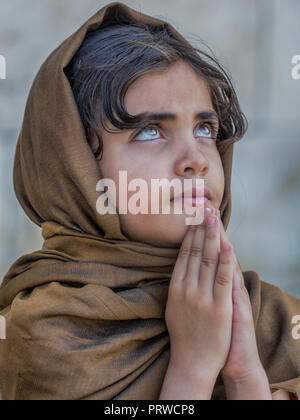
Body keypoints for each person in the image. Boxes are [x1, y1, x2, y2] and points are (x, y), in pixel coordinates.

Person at [0, 2, 299, 400]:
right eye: (150, 131)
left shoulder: (274, 320)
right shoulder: (45, 337)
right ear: (75, 168)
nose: (196, 159)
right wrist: (193, 369)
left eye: (205, 128)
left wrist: (245, 376)